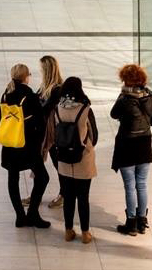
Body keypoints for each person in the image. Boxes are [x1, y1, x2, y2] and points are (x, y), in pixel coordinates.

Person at [110, 63, 152, 236]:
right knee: (141, 184)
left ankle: (131, 223)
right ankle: (142, 221)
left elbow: (113, 114)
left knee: (130, 186)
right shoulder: (151, 97)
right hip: (144, 144)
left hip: (127, 144)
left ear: (126, 80)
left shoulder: (125, 99)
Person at [0, 64, 51, 229]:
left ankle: (20, 216)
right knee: (42, 178)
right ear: (25, 77)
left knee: (12, 179)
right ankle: (33, 213)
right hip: (28, 146)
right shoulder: (29, 94)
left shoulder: (6, 94)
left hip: (10, 144)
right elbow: (40, 121)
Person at [53, 76, 98, 244]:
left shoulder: (58, 108)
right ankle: (85, 233)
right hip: (83, 158)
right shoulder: (85, 109)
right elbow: (94, 134)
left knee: (69, 197)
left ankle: (68, 230)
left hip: (64, 159)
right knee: (83, 198)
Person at [37, 56, 66, 210]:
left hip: (53, 134)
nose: (39, 70)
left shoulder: (57, 89)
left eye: (42, 68)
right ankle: (37, 194)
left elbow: (45, 109)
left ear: (47, 70)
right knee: (38, 163)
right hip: (44, 132)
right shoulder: (44, 86)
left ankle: (63, 193)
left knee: (58, 164)